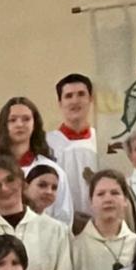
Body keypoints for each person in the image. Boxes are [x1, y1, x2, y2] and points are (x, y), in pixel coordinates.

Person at [0, 96, 71, 226]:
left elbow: (64, 219)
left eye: (26, 119)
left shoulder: (53, 171)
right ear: (4, 125)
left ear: (35, 124)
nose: (19, 124)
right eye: (12, 120)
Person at [72, 172, 136, 270]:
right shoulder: (76, 246)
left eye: (115, 193)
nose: (108, 199)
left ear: (125, 200)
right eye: (101, 194)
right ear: (91, 202)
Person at [46, 74, 99, 222]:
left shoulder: (102, 141)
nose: (75, 101)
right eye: (68, 96)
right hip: (59, 222)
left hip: (99, 221)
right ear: (60, 103)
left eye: (81, 94)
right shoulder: (47, 143)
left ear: (90, 99)